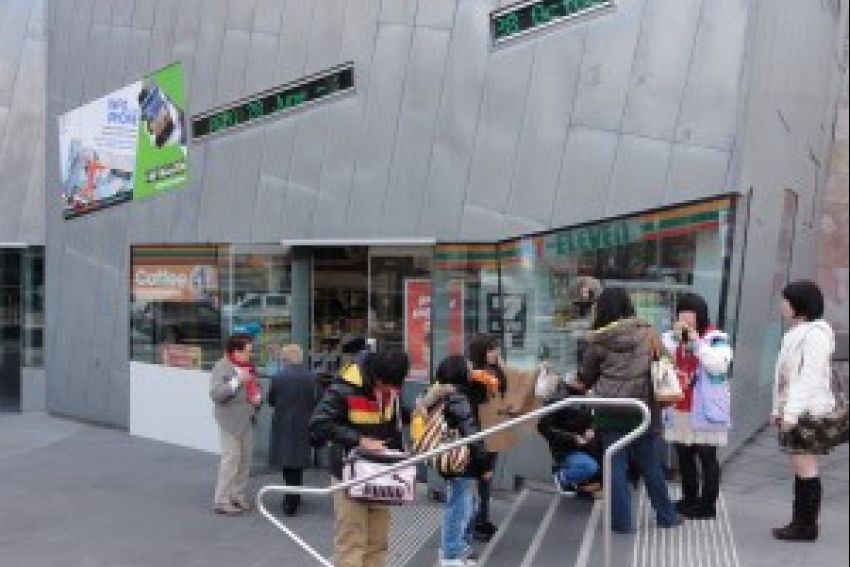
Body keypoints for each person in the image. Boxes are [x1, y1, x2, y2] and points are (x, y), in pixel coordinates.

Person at [574, 288, 680, 533]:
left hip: (609, 408)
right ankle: (667, 516)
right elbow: (665, 363)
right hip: (640, 409)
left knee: (614, 465)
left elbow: (586, 376)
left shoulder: (598, 339)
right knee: (650, 463)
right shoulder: (648, 332)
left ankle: (622, 523)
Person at [309, 349, 410, 567]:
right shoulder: (345, 386)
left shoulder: (391, 388)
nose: (392, 391)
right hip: (349, 474)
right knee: (352, 542)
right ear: (377, 377)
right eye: (388, 386)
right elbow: (318, 425)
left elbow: (391, 420)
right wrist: (359, 439)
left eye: (396, 387)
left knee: (377, 541)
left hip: (381, 473)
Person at [771, 280, 836, 542]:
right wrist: (778, 408)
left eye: (786, 300)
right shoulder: (797, 332)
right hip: (796, 408)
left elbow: (807, 379)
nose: (782, 304)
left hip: (808, 410)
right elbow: (783, 378)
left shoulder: (816, 335)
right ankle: (801, 523)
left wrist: (790, 413)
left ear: (800, 304)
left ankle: (806, 526)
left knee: (805, 465)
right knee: (800, 465)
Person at [661, 293, 733, 520]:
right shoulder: (673, 338)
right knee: (683, 453)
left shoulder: (716, 338)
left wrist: (696, 343)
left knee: (706, 455)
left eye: (690, 321)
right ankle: (689, 497)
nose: (685, 324)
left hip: (705, 407)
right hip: (680, 404)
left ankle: (707, 504)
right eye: (681, 319)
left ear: (700, 318)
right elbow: (662, 357)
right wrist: (673, 341)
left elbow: (719, 366)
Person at [416, 356, 489, 567]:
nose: (472, 369)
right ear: (459, 372)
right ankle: (450, 554)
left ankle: (457, 548)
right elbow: (471, 433)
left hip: (454, 459)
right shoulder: (457, 397)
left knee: (466, 505)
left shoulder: (441, 393)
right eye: (468, 367)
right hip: (461, 461)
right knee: (459, 507)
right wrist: (484, 465)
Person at [209, 334, 262, 516]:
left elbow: (257, 386)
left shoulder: (248, 367)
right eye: (247, 351)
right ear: (236, 352)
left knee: (245, 460)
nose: (250, 354)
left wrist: (257, 397)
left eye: (250, 351)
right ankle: (221, 500)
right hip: (229, 420)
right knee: (231, 460)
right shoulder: (221, 366)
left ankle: (237, 495)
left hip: (247, 418)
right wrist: (237, 381)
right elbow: (216, 394)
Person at [268, 344, 318, 517]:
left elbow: (272, 400)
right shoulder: (312, 377)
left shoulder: (278, 377)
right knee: (298, 460)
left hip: (283, 423)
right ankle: (294, 495)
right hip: (304, 423)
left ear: (286, 359)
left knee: (286, 460)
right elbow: (316, 400)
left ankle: (291, 500)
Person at [467, 334, 507, 542]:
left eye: (497, 349)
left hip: (493, 431)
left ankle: (483, 518)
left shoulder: (495, 370)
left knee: (487, 478)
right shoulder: (473, 376)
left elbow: (503, 391)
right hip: (480, 433)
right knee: (480, 476)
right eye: (491, 350)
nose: (495, 353)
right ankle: (475, 522)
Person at [538, 384, 602, 497]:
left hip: (585, 445)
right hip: (566, 449)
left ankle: (586, 485)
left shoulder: (588, 395)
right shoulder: (557, 399)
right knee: (590, 467)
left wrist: (591, 428)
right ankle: (563, 476)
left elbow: (592, 419)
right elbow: (544, 428)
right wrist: (573, 438)